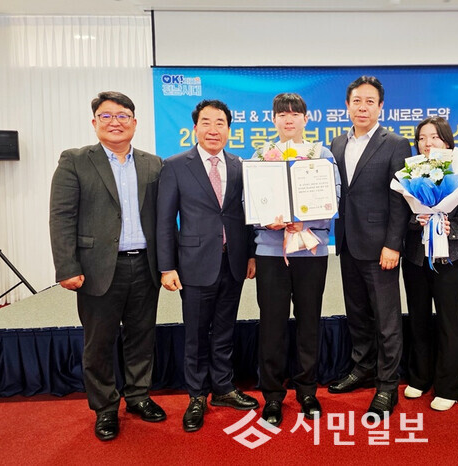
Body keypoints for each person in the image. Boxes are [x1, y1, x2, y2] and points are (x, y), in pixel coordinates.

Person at [49, 91, 166, 441]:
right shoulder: (75, 160)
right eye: (107, 116)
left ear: (134, 122)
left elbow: (163, 220)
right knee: (98, 342)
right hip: (97, 268)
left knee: (142, 336)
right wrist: (66, 266)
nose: (115, 122)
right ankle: (105, 408)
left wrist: (167, 264)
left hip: (144, 265)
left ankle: (139, 396)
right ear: (94, 122)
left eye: (122, 116)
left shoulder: (153, 164)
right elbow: (61, 216)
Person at [156, 99, 258, 433]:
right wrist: (167, 266)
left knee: (225, 329)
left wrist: (251, 255)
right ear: (195, 128)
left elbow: (247, 214)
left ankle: (224, 387)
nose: (213, 129)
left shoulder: (240, 165)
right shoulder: (175, 166)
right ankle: (197, 395)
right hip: (194, 263)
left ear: (229, 130)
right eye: (206, 122)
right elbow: (164, 220)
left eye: (220, 123)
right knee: (197, 334)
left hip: (234, 261)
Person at [253, 93, 341, 427]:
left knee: (309, 321)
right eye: (282, 114)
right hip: (271, 251)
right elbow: (251, 200)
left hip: (310, 249)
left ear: (306, 119)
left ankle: (307, 390)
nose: (288, 119)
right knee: (271, 324)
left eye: (295, 114)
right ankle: (273, 396)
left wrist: (306, 220)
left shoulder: (322, 155)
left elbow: (334, 197)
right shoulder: (261, 155)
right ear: (273, 119)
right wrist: (267, 220)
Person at [327, 76, 411, 419]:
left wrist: (393, 244)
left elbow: (400, 200)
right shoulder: (336, 143)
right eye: (357, 101)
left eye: (370, 102)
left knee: (386, 320)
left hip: (381, 249)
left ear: (381, 107)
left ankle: (388, 385)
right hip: (348, 243)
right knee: (357, 314)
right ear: (347, 106)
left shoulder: (396, 144)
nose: (363, 107)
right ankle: (362, 368)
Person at [401, 117, 458, 411]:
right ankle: (420, 377)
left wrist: (451, 228)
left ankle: (448, 386)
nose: (428, 143)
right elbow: (401, 214)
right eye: (422, 138)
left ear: (447, 141)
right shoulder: (410, 171)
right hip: (415, 257)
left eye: (434, 137)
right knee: (418, 317)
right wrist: (417, 219)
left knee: (449, 319)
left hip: (450, 257)